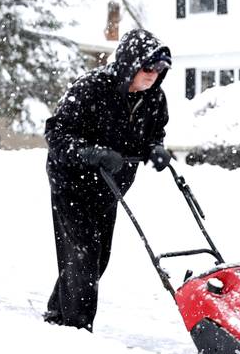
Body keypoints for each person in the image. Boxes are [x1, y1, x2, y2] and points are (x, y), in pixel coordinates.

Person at [42, 28, 172, 330]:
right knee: (83, 256)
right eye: (148, 67)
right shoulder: (91, 88)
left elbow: (155, 132)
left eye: (160, 68)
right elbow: (56, 134)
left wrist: (155, 149)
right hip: (71, 182)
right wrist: (93, 153)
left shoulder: (153, 98)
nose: (153, 75)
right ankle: (76, 329)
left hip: (109, 187)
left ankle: (58, 311)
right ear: (129, 63)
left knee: (97, 258)